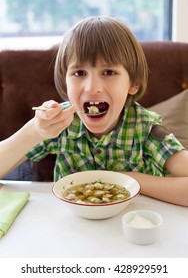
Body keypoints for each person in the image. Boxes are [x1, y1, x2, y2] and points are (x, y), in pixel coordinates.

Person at [0, 16, 188, 206]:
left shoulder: (146, 129)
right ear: (66, 82)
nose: (92, 87)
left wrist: (128, 180)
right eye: (79, 73)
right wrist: (35, 131)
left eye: (108, 72)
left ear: (133, 83)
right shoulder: (61, 124)